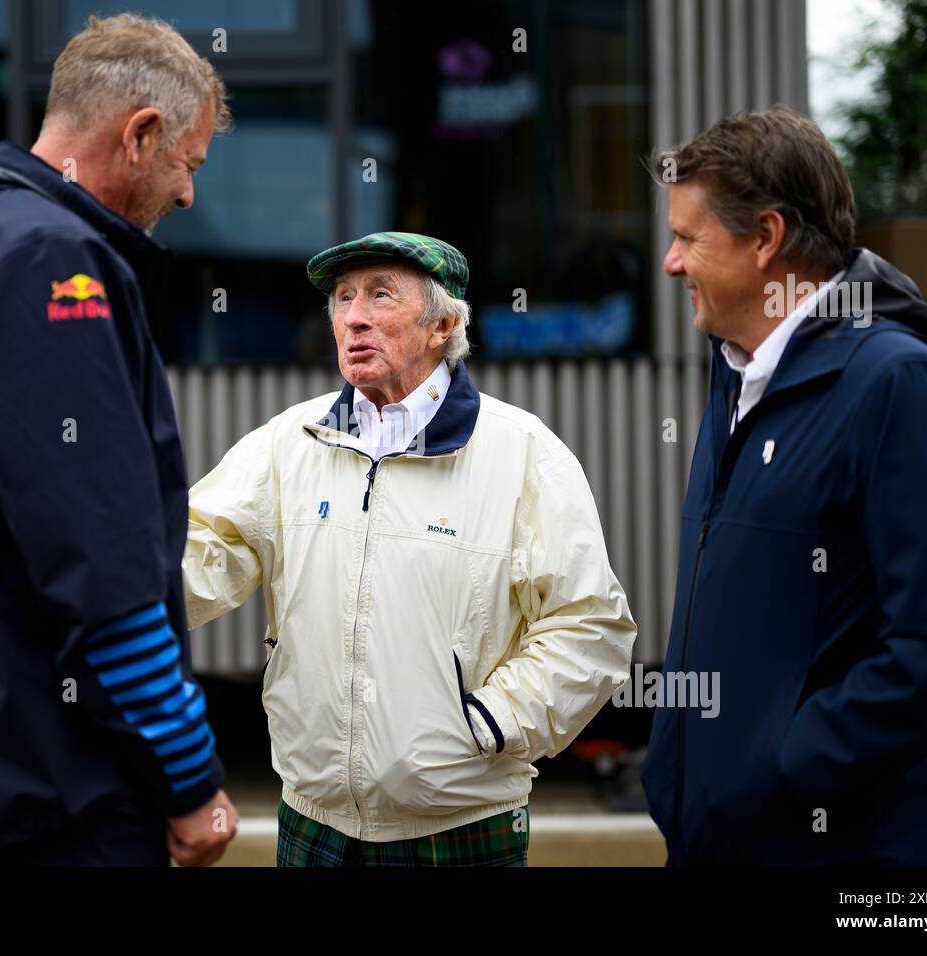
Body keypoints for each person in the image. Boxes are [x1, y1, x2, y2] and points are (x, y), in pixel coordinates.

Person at [0, 13, 238, 866]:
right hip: (48, 804)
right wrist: (191, 777)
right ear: (142, 135)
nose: (187, 194)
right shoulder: (53, 265)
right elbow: (99, 571)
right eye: (189, 162)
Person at [182, 231, 637, 866]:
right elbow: (201, 554)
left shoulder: (524, 451)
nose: (354, 316)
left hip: (461, 824)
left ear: (442, 325)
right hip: (314, 820)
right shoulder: (290, 441)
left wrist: (489, 724)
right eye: (343, 298)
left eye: (380, 295)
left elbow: (590, 625)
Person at [640, 106, 927, 865]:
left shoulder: (896, 385)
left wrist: (793, 763)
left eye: (686, 237)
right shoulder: (737, 374)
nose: (671, 263)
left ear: (767, 238)